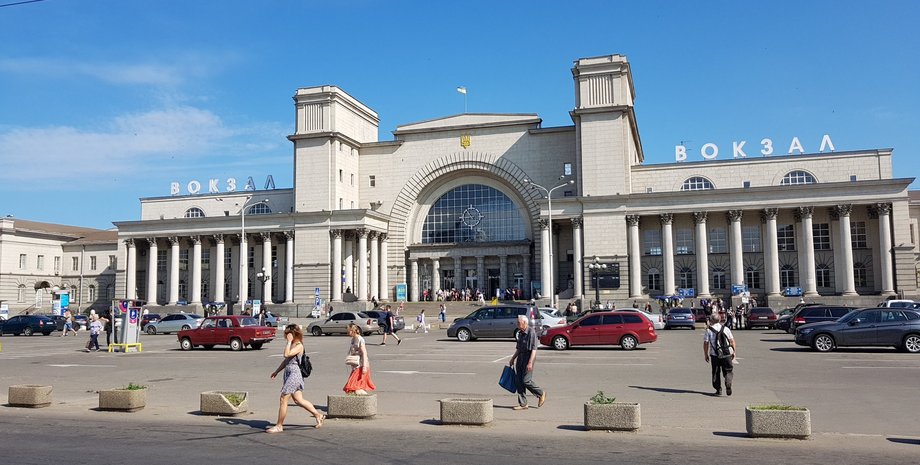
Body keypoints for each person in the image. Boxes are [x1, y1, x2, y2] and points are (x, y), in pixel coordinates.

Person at [266, 324, 324, 433]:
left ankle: (279, 425)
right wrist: (277, 371)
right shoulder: (292, 344)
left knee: (283, 398)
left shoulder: (298, 345)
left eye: (287, 334)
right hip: (289, 373)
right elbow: (286, 361)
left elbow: (286, 354)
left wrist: (288, 342)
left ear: (293, 334)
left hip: (295, 374)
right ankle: (318, 415)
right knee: (298, 400)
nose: (285, 336)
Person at [508, 315, 546, 410]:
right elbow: (518, 349)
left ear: (524, 323)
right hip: (520, 358)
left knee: (526, 381)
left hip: (528, 358)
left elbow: (534, 350)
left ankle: (540, 393)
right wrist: (513, 358)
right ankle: (523, 404)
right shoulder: (520, 333)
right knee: (519, 382)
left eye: (518, 323)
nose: (517, 324)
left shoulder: (531, 332)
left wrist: (530, 363)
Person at [703, 313, 736, 396]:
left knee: (716, 372)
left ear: (711, 320)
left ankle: (718, 389)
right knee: (728, 370)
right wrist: (733, 352)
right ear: (720, 320)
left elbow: (706, 343)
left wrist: (706, 354)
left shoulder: (709, 330)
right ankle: (728, 383)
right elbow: (732, 341)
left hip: (714, 355)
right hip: (726, 354)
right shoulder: (726, 329)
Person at [344, 323, 375, 395]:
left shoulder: (360, 339)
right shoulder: (353, 339)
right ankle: (363, 401)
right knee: (355, 387)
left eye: (348, 331)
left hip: (361, 365)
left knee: (354, 386)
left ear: (353, 331)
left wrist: (364, 367)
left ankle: (366, 401)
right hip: (356, 365)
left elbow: (364, 353)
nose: (347, 333)